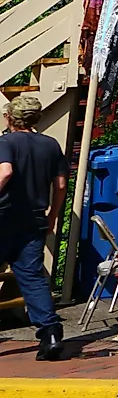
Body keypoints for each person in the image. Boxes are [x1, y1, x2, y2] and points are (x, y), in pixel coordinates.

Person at [0, 93, 68, 361]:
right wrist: (53, 215)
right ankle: (50, 333)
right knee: (32, 277)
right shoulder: (51, 145)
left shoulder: (6, 142)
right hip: (35, 218)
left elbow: (5, 172)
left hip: (4, 215)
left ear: (10, 118)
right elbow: (61, 184)